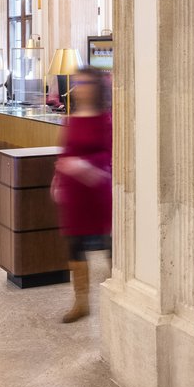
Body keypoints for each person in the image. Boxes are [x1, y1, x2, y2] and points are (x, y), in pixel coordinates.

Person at [52, 67, 112, 322]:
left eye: (86, 82)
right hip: (75, 195)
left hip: (98, 194)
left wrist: (86, 166)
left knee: (109, 245)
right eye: (78, 82)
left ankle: (119, 296)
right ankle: (81, 302)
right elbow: (66, 150)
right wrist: (57, 179)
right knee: (75, 246)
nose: (81, 86)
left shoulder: (106, 119)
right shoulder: (72, 117)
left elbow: (109, 154)